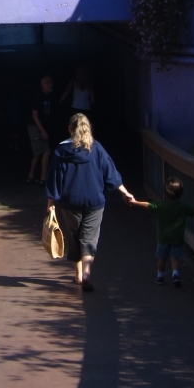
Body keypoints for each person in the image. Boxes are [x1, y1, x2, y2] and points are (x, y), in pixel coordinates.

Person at [45, 113, 135, 291]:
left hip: (70, 201)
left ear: (70, 129)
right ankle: (86, 273)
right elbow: (111, 173)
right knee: (89, 238)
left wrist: (50, 202)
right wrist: (125, 193)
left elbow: (55, 178)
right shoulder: (97, 148)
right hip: (95, 201)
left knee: (74, 235)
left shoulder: (61, 151)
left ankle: (78, 275)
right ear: (88, 128)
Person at [129, 178, 194, 287]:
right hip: (177, 238)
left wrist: (135, 202)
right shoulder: (182, 207)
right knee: (174, 258)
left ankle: (160, 277)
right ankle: (176, 275)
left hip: (163, 238)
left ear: (165, 193)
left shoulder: (161, 205)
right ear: (181, 193)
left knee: (161, 258)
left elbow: (148, 205)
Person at [26, 75, 60, 185]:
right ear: (42, 84)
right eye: (47, 82)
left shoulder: (49, 97)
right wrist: (42, 131)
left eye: (51, 82)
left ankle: (30, 176)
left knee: (38, 153)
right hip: (36, 127)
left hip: (43, 127)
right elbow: (35, 115)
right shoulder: (38, 96)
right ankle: (43, 178)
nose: (50, 84)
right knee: (46, 150)